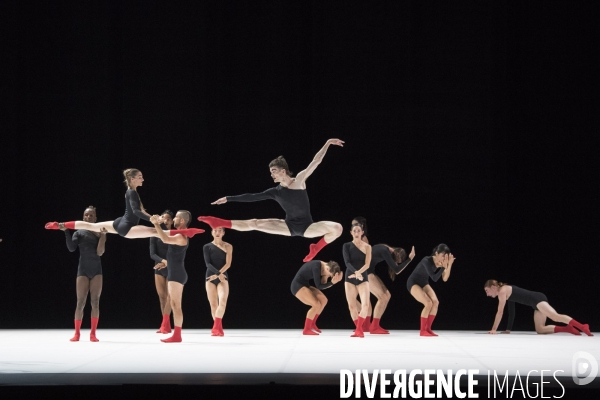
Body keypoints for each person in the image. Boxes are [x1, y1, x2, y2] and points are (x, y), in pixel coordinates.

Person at [198, 139, 345, 262]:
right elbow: (252, 196)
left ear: (283, 171)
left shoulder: (299, 180)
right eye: (270, 173)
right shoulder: (275, 192)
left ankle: (316, 248)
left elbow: (316, 161)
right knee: (254, 223)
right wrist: (229, 198)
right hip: (288, 226)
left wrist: (328, 143)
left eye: (273, 172)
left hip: (308, 227)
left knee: (337, 228)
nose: (271, 175)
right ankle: (219, 222)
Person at [45, 169, 203, 238]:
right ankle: (188, 232)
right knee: (156, 233)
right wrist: (152, 220)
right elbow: (135, 211)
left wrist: (155, 217)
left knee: (91, 226)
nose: (142, 179)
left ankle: (60, 224)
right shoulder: (131, 192)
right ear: (132, 178)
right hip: (127, 227)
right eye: (140, 176)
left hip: (121, 222)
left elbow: (139, 210)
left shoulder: (132, 192)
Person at [60, 206, 107, 342]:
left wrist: (103, 236)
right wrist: (66, 232)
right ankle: (77, 333)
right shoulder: (79, 232)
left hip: (97, 270)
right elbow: (71, 248)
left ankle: (93, 333)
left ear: (95, 218)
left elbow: (99, 252)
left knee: (95, 302)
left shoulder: (99, 232)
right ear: (83, 217)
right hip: (83, 269)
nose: (88, 217)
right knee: (80, 302)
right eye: (86, 215)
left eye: (91, 215)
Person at [484, 280, 593, 336]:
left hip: (537, 299)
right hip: (534, 304)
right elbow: (511, 311)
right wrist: (508, 329)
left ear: (493, 287)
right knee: (540, 330)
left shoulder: (502, 291)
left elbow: (500, 312)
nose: (487, 294)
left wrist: (494, 329)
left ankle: (582, 326)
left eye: (487, 291)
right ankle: (567, 328)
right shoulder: (506, 291)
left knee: (555, 316)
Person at [151, 211, 193, 343]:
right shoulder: (179, 234)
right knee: (175, 305)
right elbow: (162, 235)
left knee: (176, 305)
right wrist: (158, 225)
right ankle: (176, 334)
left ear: (181, 221)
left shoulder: (181, 236)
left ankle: (177, 335)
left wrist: (155, 224)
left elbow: (164, 239)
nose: (174, 218)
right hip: (175, 272)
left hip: (176, 273)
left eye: (176, 217)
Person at [360, 244, 415, 334]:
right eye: (397, 260)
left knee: (387, 295)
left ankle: (375, 325)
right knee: (383, 297)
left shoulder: (386, 248)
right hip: (364, 272)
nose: (396, 262)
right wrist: (410, 259)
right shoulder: (385, 251)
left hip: (369, 271)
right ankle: (374, 327)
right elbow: (397, 270)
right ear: (396, 253)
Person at [406, 244, 455, 336]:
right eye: (443, 255)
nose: (444, 258)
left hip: (423, 282)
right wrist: (444, 267)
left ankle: (428, 329)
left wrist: (450, 265)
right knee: (428, 303)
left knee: (435, 302)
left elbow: (445, 279)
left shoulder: (442, 263)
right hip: (413, 282)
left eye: (446, 256)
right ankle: (422, 331)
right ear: (436, 253)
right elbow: (434, 278)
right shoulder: (426, 260)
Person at [291, 260, 343, 335]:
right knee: (316, 304)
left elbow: (323, 282)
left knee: (323, 300)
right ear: (328, 269)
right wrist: (332, 283)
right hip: (297, 286)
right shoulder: (316, 267)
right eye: (329, 275)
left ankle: (312, 323)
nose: (329, 276)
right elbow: (319, 286)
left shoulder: (327, 266)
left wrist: (327, 276)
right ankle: (306, 329)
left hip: (305, 284)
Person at [343, 223, 372, 338]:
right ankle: (358, 329)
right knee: (351, 306)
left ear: (362, 232)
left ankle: (359, 329)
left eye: (358, 231)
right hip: (349, 278)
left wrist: (359, 273)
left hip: (363, 278)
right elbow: (347, 263)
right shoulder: (346, 246)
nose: (356, 233)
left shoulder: (367, 247)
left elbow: (367, 264)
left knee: (365, 305)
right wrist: (356, 273)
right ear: (351, 232)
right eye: (354, 231)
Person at [203, 227, 233, 336]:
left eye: (220, 230)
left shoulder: (228, 246)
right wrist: (217, 274)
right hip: (210, 277)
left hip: (222, 277)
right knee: (213, 304)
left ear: (223, 233)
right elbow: (208, 264)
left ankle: (215, 327)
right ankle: (218, 329)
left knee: (223, 302)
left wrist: (219, 274)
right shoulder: (207, 246)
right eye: (215, 230)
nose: (217, 232)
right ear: (211, 232)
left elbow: (228, 264)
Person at [150, 210, 174, 334]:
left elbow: (176, 253)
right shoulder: (155, 235)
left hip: (172, 267)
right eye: (163, 218)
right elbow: (152, 254)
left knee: (170, 297)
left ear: (172, 221)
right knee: (162, 297)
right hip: (159, 267)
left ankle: (164, 325)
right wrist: (163, 261)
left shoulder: (174, 234)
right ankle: (167, 325)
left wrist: (167, 262)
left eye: (168, 218)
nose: (165, 220)